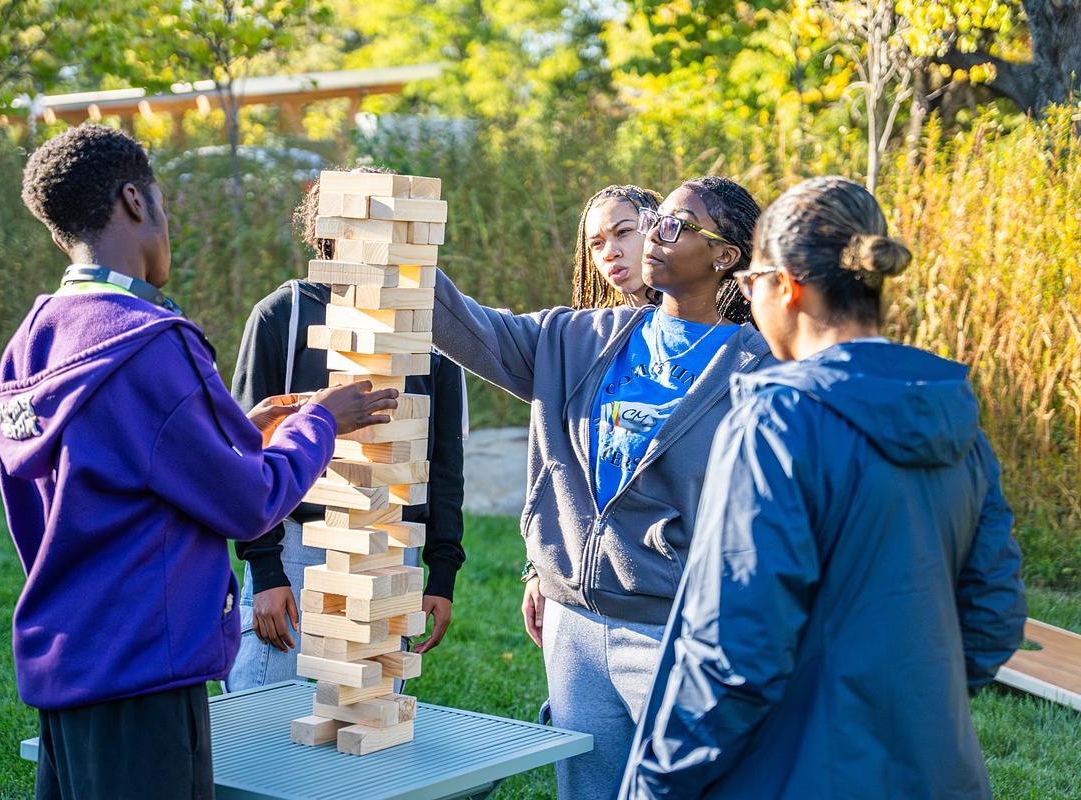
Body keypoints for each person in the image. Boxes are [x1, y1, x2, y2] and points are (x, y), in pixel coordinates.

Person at [0, 124, 397, 800]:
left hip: (70, 657)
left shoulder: (33, 339)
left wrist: (239, 432)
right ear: (134, 201)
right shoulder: (146, 342)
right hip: (145, 670)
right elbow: (248, 503)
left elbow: (112, 470)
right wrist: (323, 422)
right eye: (164, 202)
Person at [621, 176, 1027, 799]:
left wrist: (655, 782)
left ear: (786, 285)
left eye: (751, 283)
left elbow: (734, 648)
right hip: (933, 770)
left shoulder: (777, 420)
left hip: (796, 774)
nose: (750, 299)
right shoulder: (956, 417)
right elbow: (993, 615)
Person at [432, 176, 774, 800]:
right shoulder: (572, 339)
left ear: (725, 256)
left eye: (675, 224)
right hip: (573, 626)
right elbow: (461, 326)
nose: (653, 234)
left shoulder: (760, 370)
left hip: (676, 630)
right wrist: (395, 232)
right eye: (656, 219)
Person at [225, 168, 467, 691]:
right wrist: (267, 572)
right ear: (327, 228)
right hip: (296, 548)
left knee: (364, 723)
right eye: (364, 220)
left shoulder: (429, 330)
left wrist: (440, 573)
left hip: (390, 546)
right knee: (265, 727)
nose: (380, 237)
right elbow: (245, 452)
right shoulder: (281, 316)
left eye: (392, 222)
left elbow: (444, 463)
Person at [571, 184, 662, 309]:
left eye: (623, 232)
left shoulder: (693, 317)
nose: (608, 253)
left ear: (654, 229)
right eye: (596, 243)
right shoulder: (600, 326)